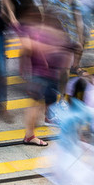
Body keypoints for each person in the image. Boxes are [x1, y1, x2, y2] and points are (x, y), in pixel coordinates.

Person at [19, 10, 73, 146]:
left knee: (37, 105)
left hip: (43, 75)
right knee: (35, 106)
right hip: (42, 75)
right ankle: (30, 136)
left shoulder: (40, 33)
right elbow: (29, 49)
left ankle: (31, 133)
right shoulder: (44, 35)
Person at [44, 0, 83, 90]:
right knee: (57, 67)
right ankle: (55, 87)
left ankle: (62, 94)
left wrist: (79, 38)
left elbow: (78, 20)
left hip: (70, 38)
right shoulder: (50, 2)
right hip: (55, 39)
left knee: (65, 69)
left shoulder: (72, 1)